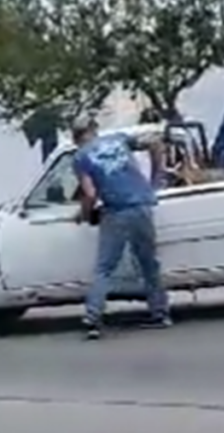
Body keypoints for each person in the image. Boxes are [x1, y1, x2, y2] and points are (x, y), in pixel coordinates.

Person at [70, 114, 171, 340]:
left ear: (76, 136)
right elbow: (155, 142)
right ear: (94, 128)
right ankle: (160, 314)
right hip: (142, 206)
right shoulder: (119, 139)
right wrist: (155, 179)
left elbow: (90, 193)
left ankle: (93, 318)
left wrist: (84, 214)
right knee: (149, 264)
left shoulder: (80, 157)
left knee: (104, 268)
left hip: (116, 211)